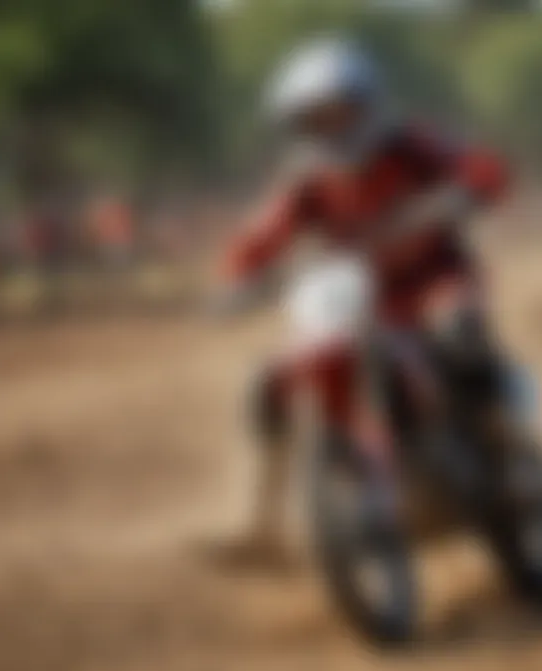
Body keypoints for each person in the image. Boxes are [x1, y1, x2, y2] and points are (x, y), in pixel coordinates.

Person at [217, 38, 512, 562]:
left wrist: (464, 193)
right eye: (316, 119)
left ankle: (504, 452)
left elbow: (477, 167)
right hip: (357, 304)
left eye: (340, 112)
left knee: (459, 329)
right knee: (270, 381)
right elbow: (262, 235)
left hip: (432, 283)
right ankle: (264, 522)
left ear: (369, 102)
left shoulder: (410, 144)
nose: (331, 128)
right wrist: (239, 278)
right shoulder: (306, 181)